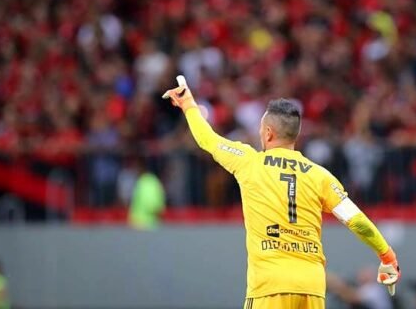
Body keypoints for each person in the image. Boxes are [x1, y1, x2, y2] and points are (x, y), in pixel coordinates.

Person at [163, 79, 401, 309]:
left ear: (267, 133)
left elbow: (208, 140)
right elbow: (357, 221)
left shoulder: (249, 162)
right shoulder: (320, 176)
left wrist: (189, 105)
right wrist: (387, 256)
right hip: (312, 285)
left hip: (271, 283)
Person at [127, 157, 166, 229]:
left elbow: (153, 205)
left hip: (145, 225)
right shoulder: (143, 181)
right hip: (141, 224)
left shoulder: (148, 182)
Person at [326, 268, 392, 309]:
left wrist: (337, 287)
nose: (360, 276)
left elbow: (355, 298)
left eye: (365, 274)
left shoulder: (374, 289)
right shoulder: (362, 287)